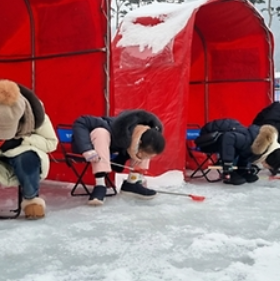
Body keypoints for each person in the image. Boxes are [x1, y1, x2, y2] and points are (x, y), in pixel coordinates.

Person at [71, 109, 166, 205]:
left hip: (119, 148)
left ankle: (132, 182)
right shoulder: (110, 126)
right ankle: (100, 185)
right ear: (139, 143)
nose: (143, 158)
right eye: (144, 156)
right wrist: (86, 149)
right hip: (93, 146)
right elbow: (81, 121)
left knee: (150, 144)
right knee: (100, 132)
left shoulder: (143, 133)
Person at [0, 79, 58, 219]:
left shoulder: (36, 114)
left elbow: (51, 143)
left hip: (22, 152)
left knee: (27, 158)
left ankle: (31, 198)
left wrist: (23, 140)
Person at [196, 118, 280, 185]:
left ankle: (241, 172)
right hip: (208, 138)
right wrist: (228, 163)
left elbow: (245, 153)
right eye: (269, 166)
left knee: (246, 150)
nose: (267, 168)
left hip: (223, 135)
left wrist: (244, 168)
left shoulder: (259, 144)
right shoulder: (249, 140)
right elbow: (228, 138)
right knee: (235, 143)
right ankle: (229, 174)